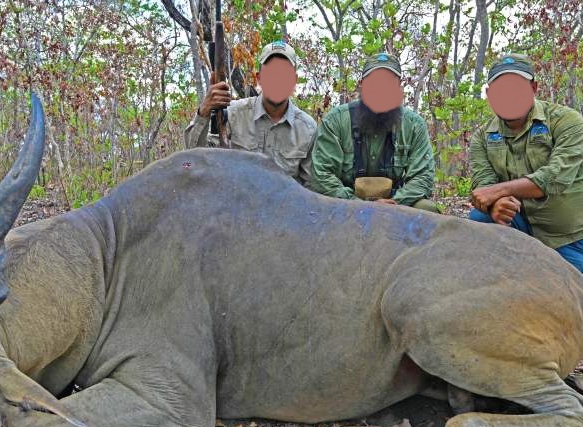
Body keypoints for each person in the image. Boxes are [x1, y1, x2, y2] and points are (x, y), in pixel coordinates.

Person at [469, 53, 583, 272]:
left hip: (567, 236)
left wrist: (497, 191)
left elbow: (555, 178)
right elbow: (483, 186)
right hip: (518, 227)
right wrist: (494, 206)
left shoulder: (567, 121)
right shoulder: (482, 137)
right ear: (489, 94)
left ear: (534, 88)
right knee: (479, 218)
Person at [309, 53, 438, 211]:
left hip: (395, 206)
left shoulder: (414, 125)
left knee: (427, 208)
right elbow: (321, 175)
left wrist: (396, 203)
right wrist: (359, 205)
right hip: (345, 206)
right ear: (362, 85)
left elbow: (423, 177)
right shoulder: (336, 121)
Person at [183, 40, 317, 185]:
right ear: (259, 78)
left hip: (284, 206)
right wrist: (203, 112)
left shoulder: (307, 129)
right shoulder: (233, 114)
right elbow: (193, 160)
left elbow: (311, 188)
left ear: (294, 80)